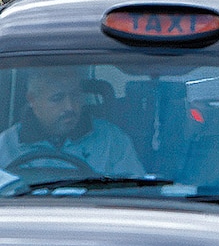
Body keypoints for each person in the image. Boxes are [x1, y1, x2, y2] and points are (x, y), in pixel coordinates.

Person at [0, 69, 144, 177]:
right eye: (57, 98)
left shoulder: (112, 140)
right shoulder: (5, 146)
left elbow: (135, 193)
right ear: (32, 100)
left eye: (75, 96)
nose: (69, 107)